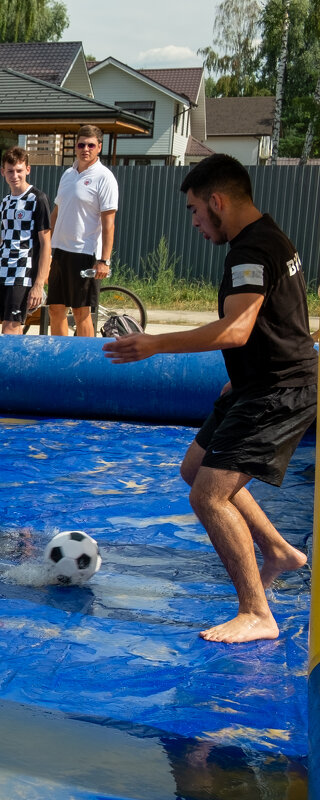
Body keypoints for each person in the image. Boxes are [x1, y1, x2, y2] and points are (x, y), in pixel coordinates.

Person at [104, 154, 315, 643]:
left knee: (208, 496)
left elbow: (238, 328)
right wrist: (239, 377)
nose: (196, 222)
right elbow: (276, 321)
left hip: (278, 392)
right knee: (195, 469)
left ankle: (257, 614)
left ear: (217, 201)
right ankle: (279, 552)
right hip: (255, 383)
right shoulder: (268, 236)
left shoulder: (250, 250)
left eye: (195, 210)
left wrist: (155, 344)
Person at [48, 124, 118, 337]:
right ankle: (60, 358)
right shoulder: (68, 174)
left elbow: (109, 224)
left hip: (85, 253)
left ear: (99, 147)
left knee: (81, 312)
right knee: (55, 309)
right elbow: (56, 213)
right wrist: (46, 248)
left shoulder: (104, 177)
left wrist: (104, 260)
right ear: (75, 147)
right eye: (81, 144)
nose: (85, 149)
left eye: (90, 145)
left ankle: (85, 361)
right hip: (59, 251)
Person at [0, 146, 52, 335]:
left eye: (19, 170)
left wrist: (39, 284)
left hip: (23, 271)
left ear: (28, 170)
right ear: (2, 172)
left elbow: (46, 243)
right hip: (4, 271)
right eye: (10, 171)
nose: (15, 175)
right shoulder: (6, 201)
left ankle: (11, 365)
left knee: (12, 327)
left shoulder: (37, 198)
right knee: (5, 325)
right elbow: (3, 243)